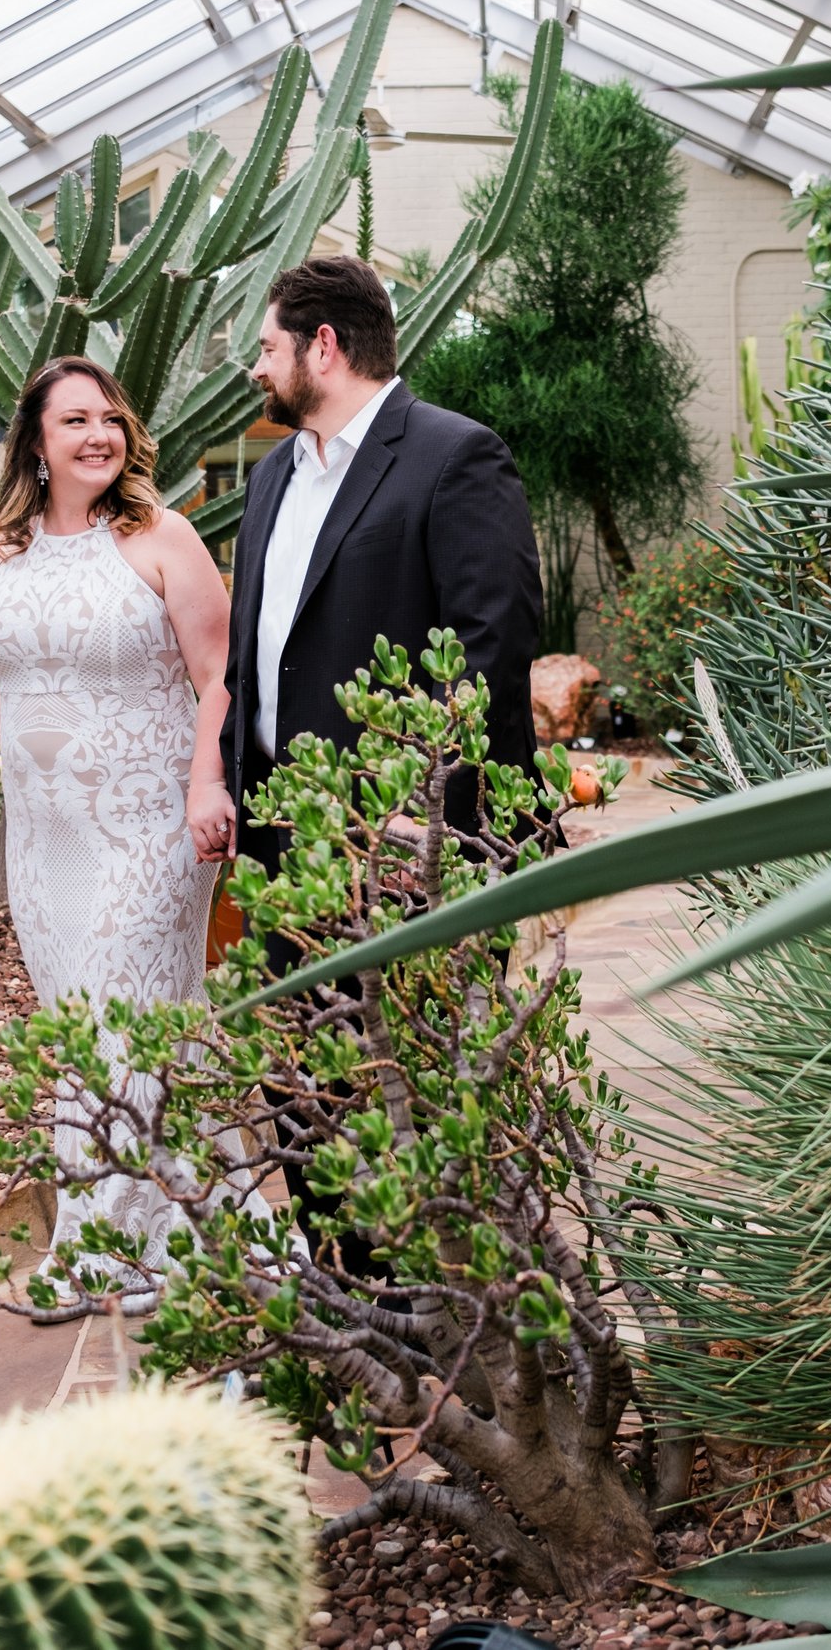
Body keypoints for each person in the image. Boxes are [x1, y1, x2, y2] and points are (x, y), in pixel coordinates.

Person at [224, 254, 543, 1267]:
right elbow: (252, 647)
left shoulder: (454, 456)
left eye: (267, 347)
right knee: (301, 1076)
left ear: (324, 346)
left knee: (413, 1077)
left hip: (403, 841)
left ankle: (441, 1296)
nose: (256, 369)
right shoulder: (273, 473)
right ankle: (344, 1281)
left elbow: (491, 644)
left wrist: (417, 810)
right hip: (285, 838)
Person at [0, 355, 241, 1300]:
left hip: (152, 829)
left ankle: (93, 1250)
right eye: (75, 421)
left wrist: (206, 781)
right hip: (44, 839)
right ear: (36, 441)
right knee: (88, 1037)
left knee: (117, 1019)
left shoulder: (162, 537)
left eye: (109, 418)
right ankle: (187, 1231)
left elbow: (220, 676)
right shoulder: (1, 553)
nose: (98, 434)